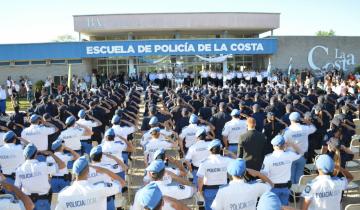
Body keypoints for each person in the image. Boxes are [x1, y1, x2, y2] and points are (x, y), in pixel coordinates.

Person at [55, 156, 121, 210]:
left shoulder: (63, 195)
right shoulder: (100, 188)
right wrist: (107, 171)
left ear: (74, 173)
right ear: (88, 171)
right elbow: (121, 183)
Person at [15, 144, 65, 210]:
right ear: (36, 154)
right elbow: (62, 165)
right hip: (42, 201)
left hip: (27, 202)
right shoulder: (43, 165)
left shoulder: (19, 169)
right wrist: (51, 154)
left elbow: (16, 188)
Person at [260, 135, 302, 205]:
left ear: (273, 146)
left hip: (272, 188)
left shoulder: (268, 158)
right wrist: (292, 144)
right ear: (284, 145)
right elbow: (300, 152)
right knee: (284, 207)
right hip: (285, 188)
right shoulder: (289, 155)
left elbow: (264, 174)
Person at [197, 139, 233, 210]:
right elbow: (239, 162)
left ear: (210, 150)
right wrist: (230, 153)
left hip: (209, 190)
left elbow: (200, 179)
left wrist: (200, 191)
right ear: (221, 149)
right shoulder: (227, 160)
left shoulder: (204, 162)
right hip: (224, 189)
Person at [88, 146, 127, 210]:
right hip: (107, 200)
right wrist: (113, 157)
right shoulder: (107, 167)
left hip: (92, 202)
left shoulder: (85, 170)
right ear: (101, 156)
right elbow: (125, 167)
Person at [283, 112, 316, 184]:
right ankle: (299, 192)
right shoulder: (305, 128)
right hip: (302, 156)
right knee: (299, 175)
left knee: (291, 176)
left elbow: (283, 143)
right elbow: (313, 128)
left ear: (290, 120)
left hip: (291, 156)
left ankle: (292, 194)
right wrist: (307, 121)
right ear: (299, 119)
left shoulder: (287, 131)